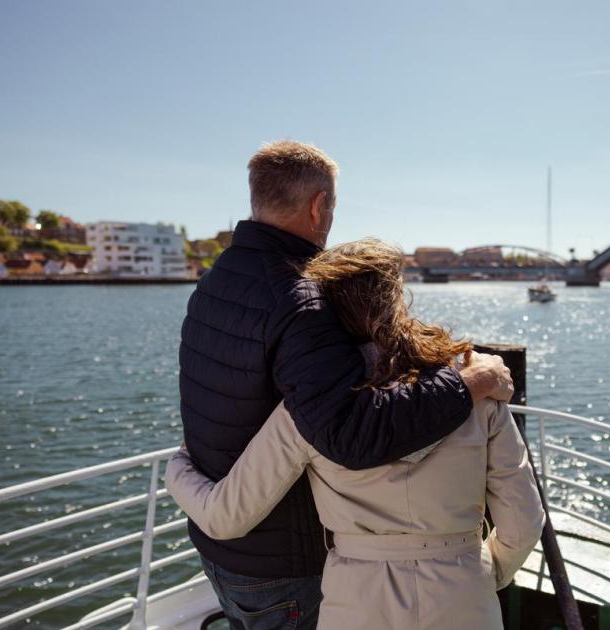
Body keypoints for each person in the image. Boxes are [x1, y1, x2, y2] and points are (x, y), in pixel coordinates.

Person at [180, 140, 514, 629]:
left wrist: (177, 471)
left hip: (224, 548)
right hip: (285, 565)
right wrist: (467, 383)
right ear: (319, 206)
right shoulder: (299, 298)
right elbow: (346, 435)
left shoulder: (217, 279)